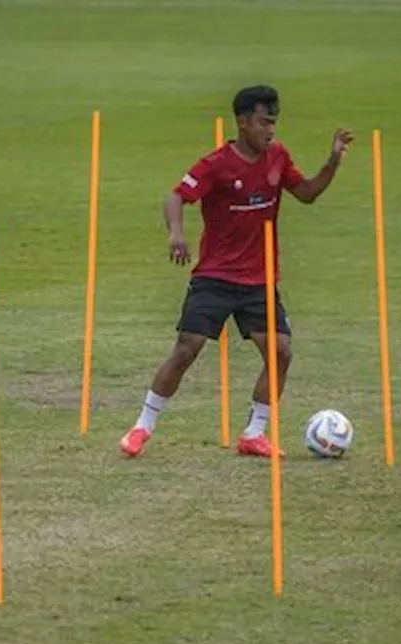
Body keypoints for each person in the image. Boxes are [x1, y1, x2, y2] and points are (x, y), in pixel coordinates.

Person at [119, 85, 353, 460]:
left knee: (281, 353)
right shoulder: (216, 165)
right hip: (215, 276)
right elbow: (176, 196)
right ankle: (141, 427)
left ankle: (254, 434)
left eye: (274, 123)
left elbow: (307, 193)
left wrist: (333, 162)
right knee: (186, 349)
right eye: (264, 123)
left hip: (259, 280)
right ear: (243, 123)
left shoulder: (277, 157)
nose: (271, 131)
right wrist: (177, 234)